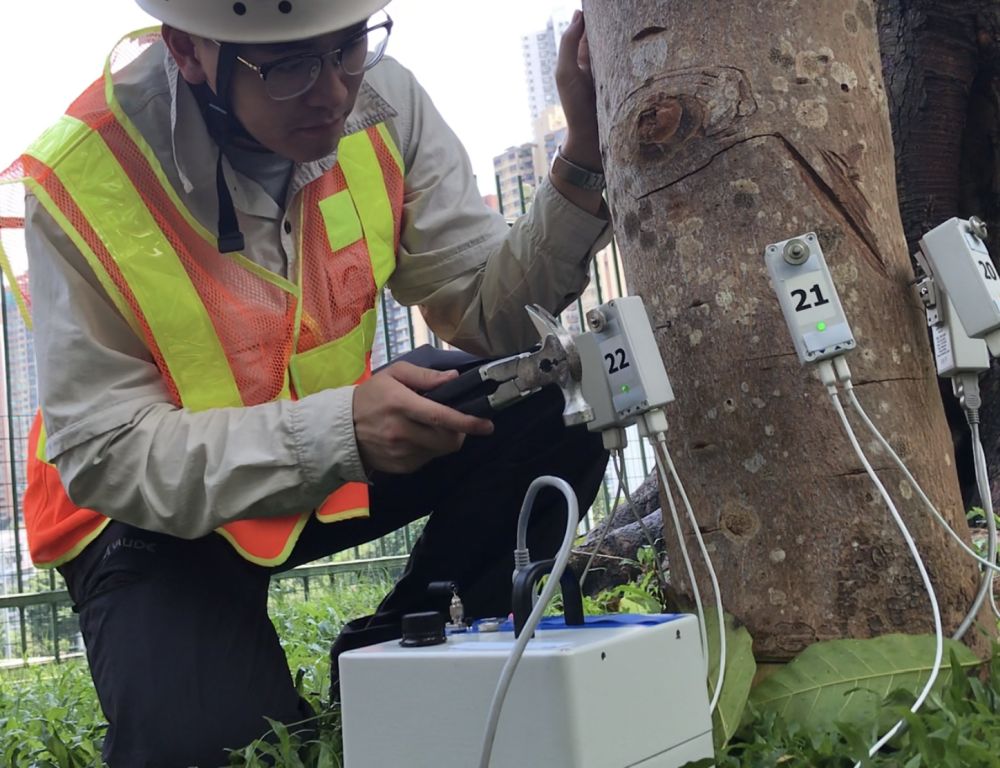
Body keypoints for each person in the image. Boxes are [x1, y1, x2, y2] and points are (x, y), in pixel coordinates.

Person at [4, 0, 612, 764]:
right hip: (144, 515)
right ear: (191, 52)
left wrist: (584, 155)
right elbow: (103, 451)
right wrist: (339, 431)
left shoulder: (384, 98)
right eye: (288, 64)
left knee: (557, 396)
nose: (332, 91)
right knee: (212, 750)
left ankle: (405, 654)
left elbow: (488, 313)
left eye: (348, 45)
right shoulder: (84, 177)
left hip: (333, 451)